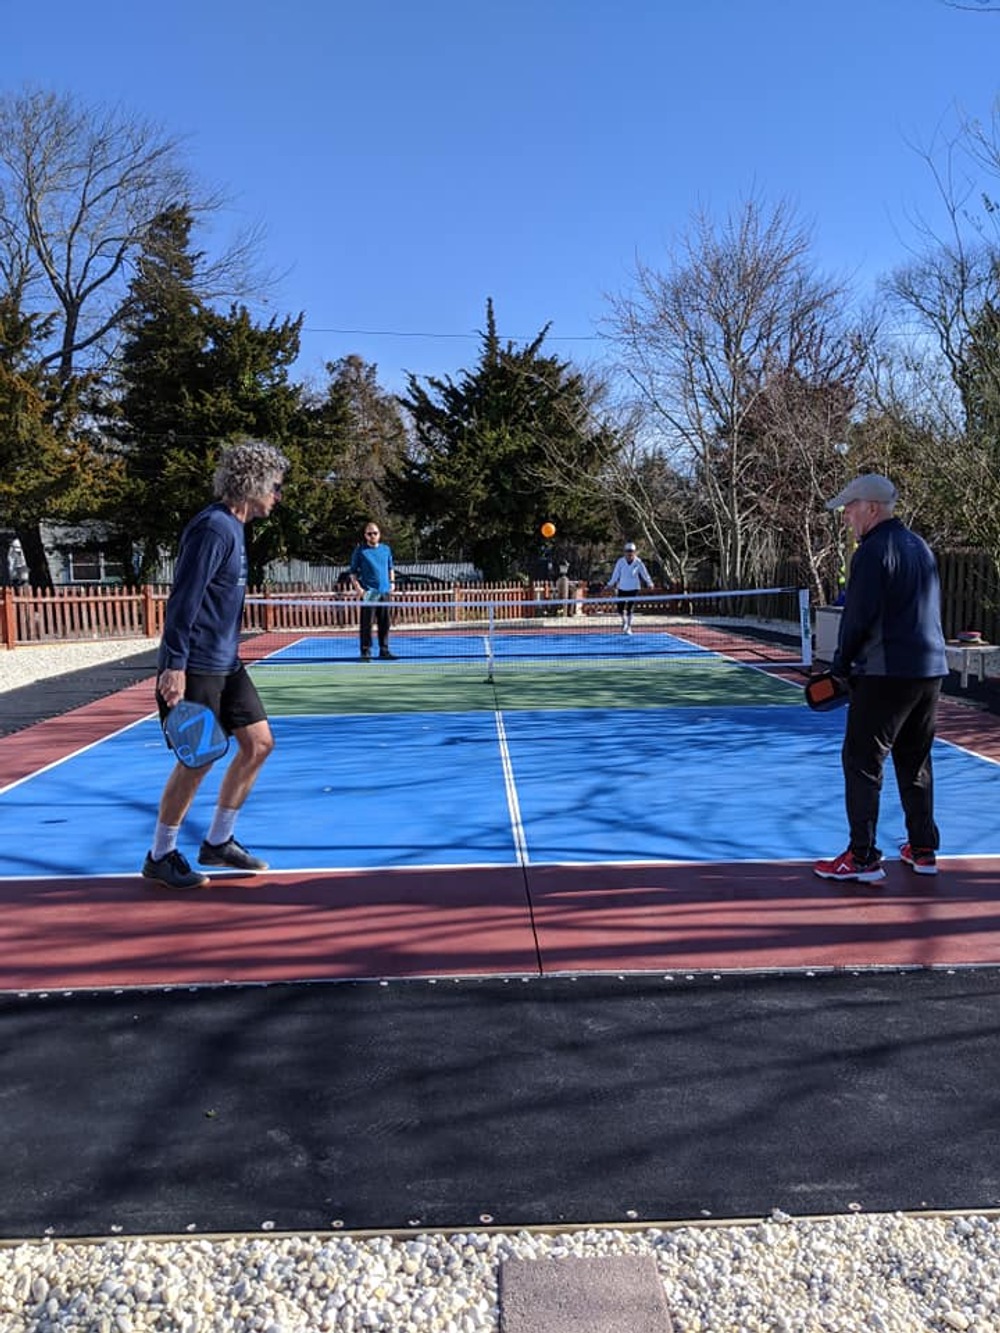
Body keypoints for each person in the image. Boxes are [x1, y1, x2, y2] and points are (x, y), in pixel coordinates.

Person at [142, 440, 290, 890]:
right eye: (275, 487)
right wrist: (173, 665)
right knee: (198, 758)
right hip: (197, 665)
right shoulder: (213, 529)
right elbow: (183, 599)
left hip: (226, 664)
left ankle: (218, 842)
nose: (278, 496)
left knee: (259, 744)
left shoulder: (235, 528)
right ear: (253, 486)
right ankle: (161, 855)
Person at [813, 474, 948, 884]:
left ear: (871, 508)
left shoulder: (872, 552)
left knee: (861, 761)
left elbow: (858, 618)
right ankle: (922, 849)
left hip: (886, 674)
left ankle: (862, 857)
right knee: (915, 759)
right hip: (929, 672)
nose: (846, 517)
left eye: (850, 508)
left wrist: (840, 667)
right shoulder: (919, 547)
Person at [349, 521, 396, 659]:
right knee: (367, 624)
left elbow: (390, 568)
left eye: (375, 533)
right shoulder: (360, 551)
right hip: (370, 593)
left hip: (384, 592)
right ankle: (365, 652)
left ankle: (384, 650)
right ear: (365, 535)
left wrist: (392, 583)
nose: (372, 536)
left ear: (379, 534)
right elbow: (353, 572)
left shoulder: (386, 549)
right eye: (369, 534)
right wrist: (359, 589)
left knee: (385, 623)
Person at [605, 541, 654, 634]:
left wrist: (650, 583)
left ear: (634, 552)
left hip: (634, 588)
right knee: (620, 609)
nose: (629, 553)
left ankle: (629, 627)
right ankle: (624, 622)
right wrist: (610, 584)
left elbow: (644, 574)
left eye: (631, 551)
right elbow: (615, 574)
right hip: (622, 588)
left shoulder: (638, 562)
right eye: (627, 551)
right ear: (624, 552)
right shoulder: (620, 561)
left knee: (630, 609)